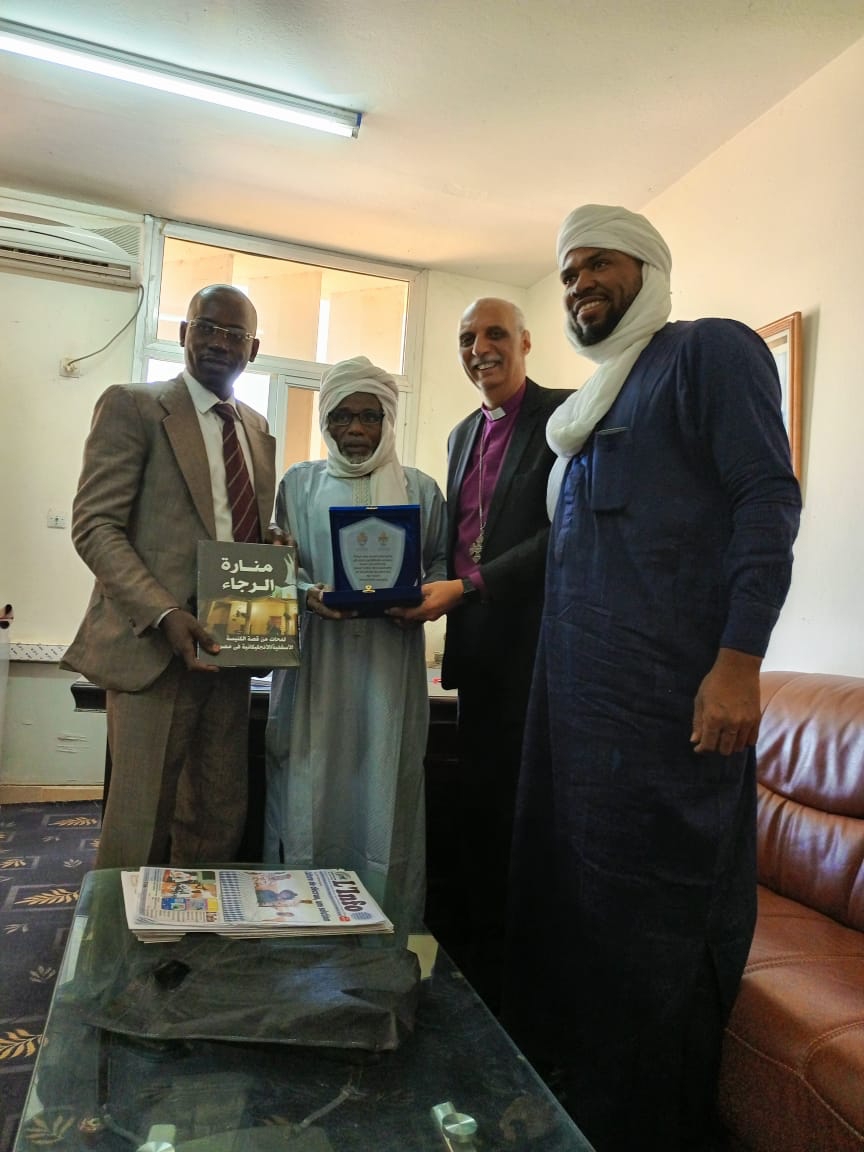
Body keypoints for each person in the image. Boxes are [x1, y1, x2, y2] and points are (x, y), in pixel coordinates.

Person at [503, 205, 802, 1152]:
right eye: (568, 273)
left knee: (658, 941)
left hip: (670, 722)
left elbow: (767, 499)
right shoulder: (589, 409)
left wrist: (739, 663)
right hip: (576, 722)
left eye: (601, 263)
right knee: (579, 930)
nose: (580, 283)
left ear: (651, 270)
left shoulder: (707, 353)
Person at [392, 299, 570, 1009]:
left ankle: (523, 981)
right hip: (475, 652)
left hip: (538, 651)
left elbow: (565, 531)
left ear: (525, 342)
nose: (479, 348)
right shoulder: (463, 432)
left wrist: (467, 587)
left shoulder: (565, 417)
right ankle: (474, 970)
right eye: (467, 338)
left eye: (495, 334)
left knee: (529, 820)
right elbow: (461, 537)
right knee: (481, 807)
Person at [61, 285, 276, 869]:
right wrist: (164, 612)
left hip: (229, 654)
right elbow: (95, 525)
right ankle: (118, 931)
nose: (219, 342)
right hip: (153, 650)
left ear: (253, 349)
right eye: (206, 327)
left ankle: (195, 926)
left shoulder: (257, 429)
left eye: (234, 334)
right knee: (138, 825)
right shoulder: (132, 406)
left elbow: (240, 529)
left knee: (216, 817)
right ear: (184, 334)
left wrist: (275, 545)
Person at [264, 356, 447, 931]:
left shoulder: (420, 489)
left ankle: (381, 941)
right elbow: (279, 571)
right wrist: (308, 593)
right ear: (325, 421)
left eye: (370, 415)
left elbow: (440, 565)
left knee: (384, 793)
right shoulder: (298, 484)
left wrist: (422, 601)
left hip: (389, 669)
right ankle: (300, 934)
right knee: (310, 792)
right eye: (341, 416)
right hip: (316, 668)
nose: (356, 429)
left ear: (389, 419)